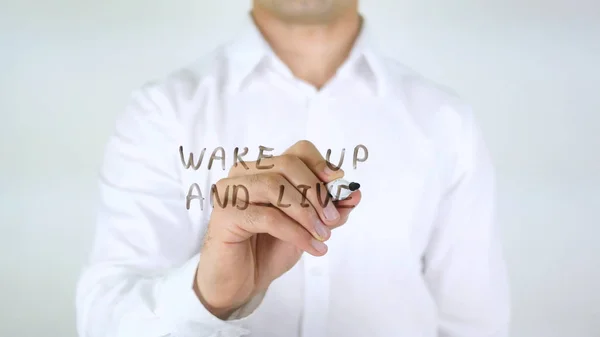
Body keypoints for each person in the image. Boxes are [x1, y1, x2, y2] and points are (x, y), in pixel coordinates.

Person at [75, 0, 510, 336]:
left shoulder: (446, 122)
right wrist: (209, 294)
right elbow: (103, 318)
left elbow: (473, 323)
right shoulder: (162, 112)